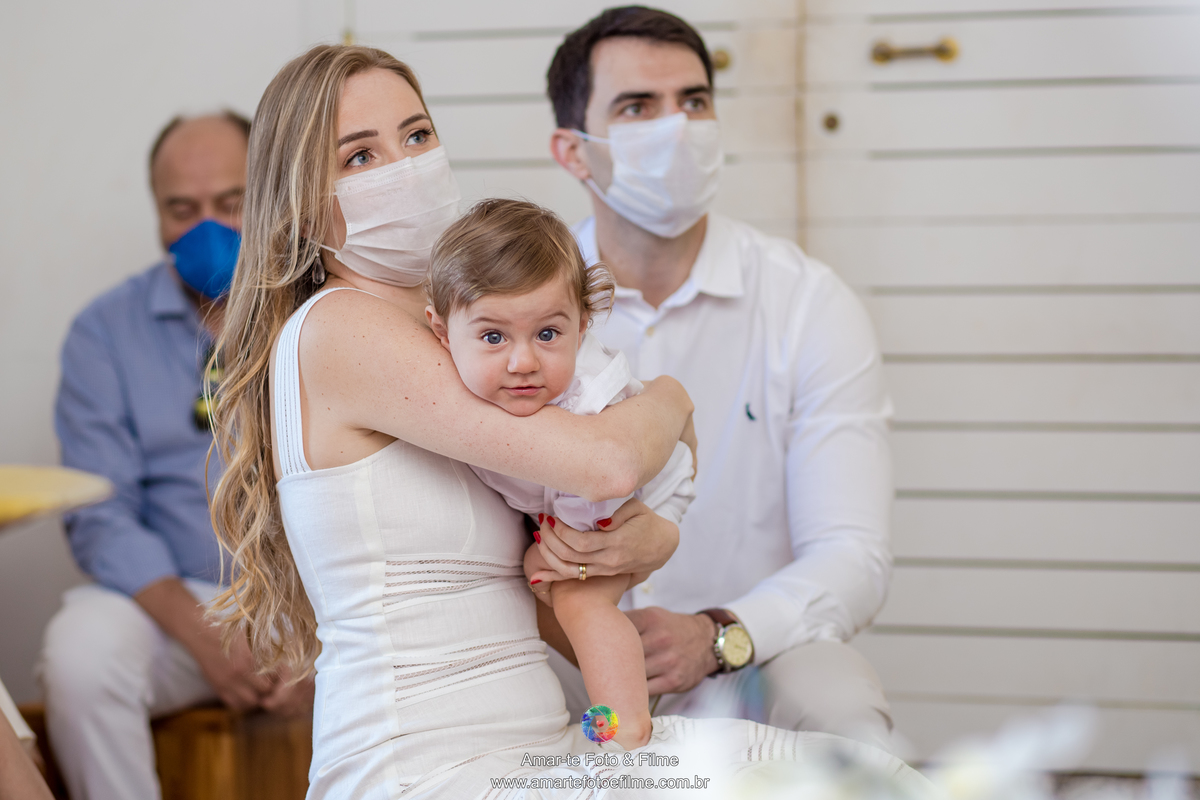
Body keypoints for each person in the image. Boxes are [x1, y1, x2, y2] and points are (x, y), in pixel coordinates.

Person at [207, 43, 934, 799]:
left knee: (851, 778)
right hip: (426, 770)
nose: (405, 167)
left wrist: (638, 548)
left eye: (417, 135)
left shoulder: (470, 338)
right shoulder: (341, 329)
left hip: (541, 744)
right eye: (360, 156)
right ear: (299, 201)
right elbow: (608, 462)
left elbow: (551, 565)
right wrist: (672, 398)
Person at [542, 6, 896, 751]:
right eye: (638, 107)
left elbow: (852, 554)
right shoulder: (516, 311)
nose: (677, 128)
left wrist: (718, 634)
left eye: (694, 101)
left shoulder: (807, 303)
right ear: (573, 151)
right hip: (567, 655)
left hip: (746, 654)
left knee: (846, 715)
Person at [42, 112, 312, 800]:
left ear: (271, 195)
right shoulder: (105, 332)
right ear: (157, 213)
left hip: (320, 600)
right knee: (80, 655)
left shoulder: (328, 310)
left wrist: (315, 638)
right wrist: (208, 638)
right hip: (184, 602)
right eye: (182, 210)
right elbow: (99, 514)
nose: (207, 228)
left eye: (231, 202)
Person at [425, 198, 696, 751]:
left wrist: (557, 552)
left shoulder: (589, 400)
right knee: (552, 593)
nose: (523, 362)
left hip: (636, 499)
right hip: (572, 502)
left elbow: (603, 485)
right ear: (440, 331)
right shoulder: (440, 385)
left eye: (548, 334)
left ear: (582, 324)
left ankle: (624, 733)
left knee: (580, 601)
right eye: (494, 337)